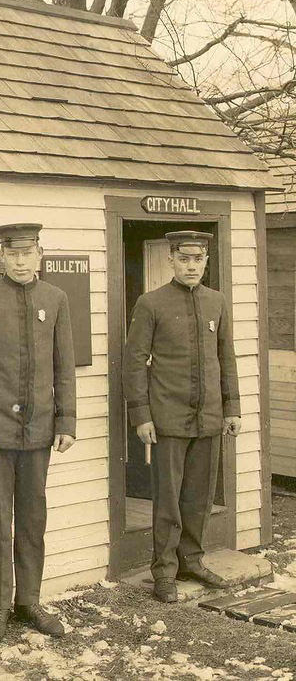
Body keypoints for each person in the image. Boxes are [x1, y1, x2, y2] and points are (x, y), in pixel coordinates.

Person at [0, 223, 77, 642]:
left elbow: (65, 367)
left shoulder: (55, 299)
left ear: (40, 254)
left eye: (28, 253)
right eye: (13, 254)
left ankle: (30, 601)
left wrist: (66, 421)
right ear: (1, 257)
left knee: (32, 518)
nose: (21, 261)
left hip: (39, 431)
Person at [122, 230, 241, 604]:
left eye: (198, 259)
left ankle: (191, 560)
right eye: (184, 259)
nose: (192, 266)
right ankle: (164, 571)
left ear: (206, 261)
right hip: (168, 419)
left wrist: (231, 407)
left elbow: (227, 358)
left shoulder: (216, 302)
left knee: (199, 497)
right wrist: (141, 415)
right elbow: (133, 362)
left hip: (208, 418)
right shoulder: (151, 303)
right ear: (171, 260)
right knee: (168, 498)